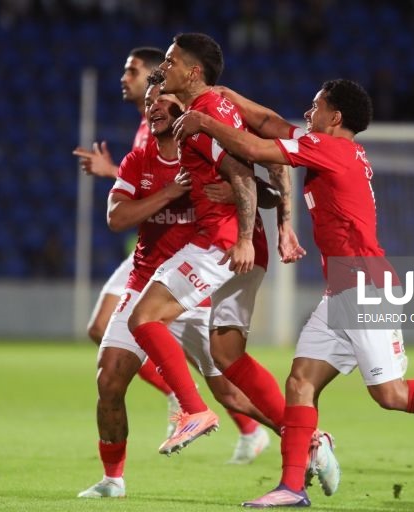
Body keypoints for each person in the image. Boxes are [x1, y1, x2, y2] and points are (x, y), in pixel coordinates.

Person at [172, 78, 414, 507]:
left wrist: (205, 120)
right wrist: (229, 98)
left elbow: (257, 148)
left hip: (367, 288)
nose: (307, 111)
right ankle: (292, 487)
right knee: (300, 382)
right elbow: (268, 123)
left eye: (315, 106)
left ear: (334, 117)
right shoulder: (327, 143)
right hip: (340, 292)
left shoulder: (329, 149)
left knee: (391, 395)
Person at [78, 73, 276, 500]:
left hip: (195, 290)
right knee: (109, 380)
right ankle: (114, 479)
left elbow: (264, 190)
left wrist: (243, 198)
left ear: (183, 105)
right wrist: (169, 194)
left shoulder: (204, 152)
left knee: (232, 393)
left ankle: (307, 439)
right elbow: (116, 218)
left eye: (162, 99)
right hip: (146, 280)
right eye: (149, 101)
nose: (153, 107)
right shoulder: (138, 160)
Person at [127, 33, 305, 459]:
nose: (162, 68)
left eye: (169, 62)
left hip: (223, 243)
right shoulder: (224, 101)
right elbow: (269, 151)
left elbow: (242, 172)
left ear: (193, 71)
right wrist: (281, 221)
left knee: (145, 317)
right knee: (227, 354)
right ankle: (307, 439)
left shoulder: (198, 118)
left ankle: (193, 410)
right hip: (247, 244)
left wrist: (244, 235)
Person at [72, 47, 180, 428]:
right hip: (147, 247)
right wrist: (115, 173)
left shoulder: (169, 127)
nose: (124, 77)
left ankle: (257, 428)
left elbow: (167, 182)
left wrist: (110, 171)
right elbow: (144, 184)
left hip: (176, 248)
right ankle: (178, 398)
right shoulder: (144, 129)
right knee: (100, 329)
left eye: (132, 71)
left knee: (217, 360)